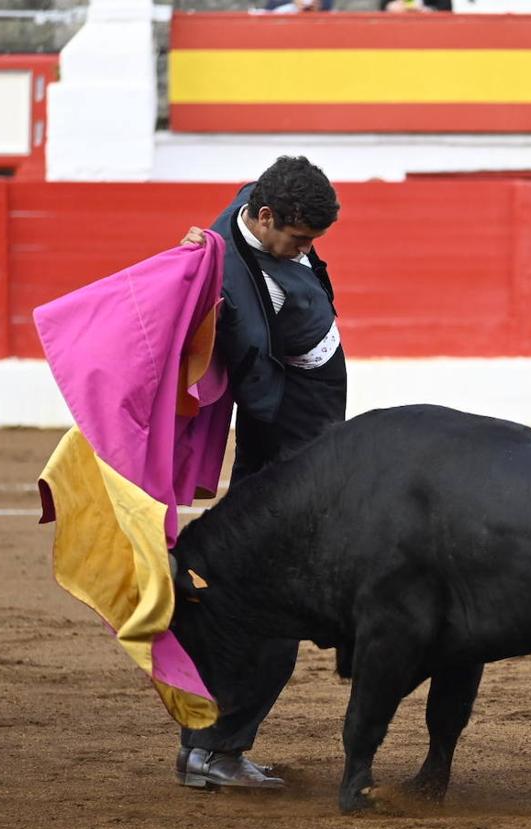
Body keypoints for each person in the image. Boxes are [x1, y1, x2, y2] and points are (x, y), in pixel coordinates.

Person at [173, 155, 346, 791]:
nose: (304, 251)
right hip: (288, 443)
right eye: (299, 241)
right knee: (275, 604)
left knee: (262, 596)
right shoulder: (224, 272)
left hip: (310, 434)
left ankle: (209, 750)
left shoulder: (250, 208)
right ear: (267, 219)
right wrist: (190, 265)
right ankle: (214, 752)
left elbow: (243, 205)